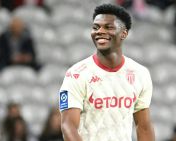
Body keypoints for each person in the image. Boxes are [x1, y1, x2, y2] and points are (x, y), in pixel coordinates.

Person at [59, 4, 154, 141]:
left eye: (108, 27)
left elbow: (143, 126)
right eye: (96, 27)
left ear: (124, 33)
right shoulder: (76, 74)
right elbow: (68, 126)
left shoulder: (140, 73)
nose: (100, 31)